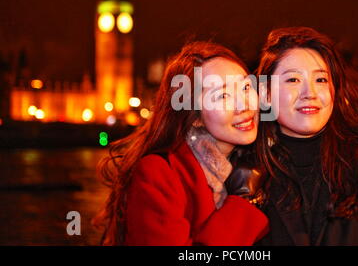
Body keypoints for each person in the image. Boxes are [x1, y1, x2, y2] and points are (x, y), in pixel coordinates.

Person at [253, 26, 358, 245]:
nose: (309, 93)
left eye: (320, 80)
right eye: (293, 80)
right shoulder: (249, 170)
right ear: (266, 94)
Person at [93, 41, 268, 245]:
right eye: (223, 95)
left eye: (246, 87)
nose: (244, 105)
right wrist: (242, 202)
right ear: (195, 117)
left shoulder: (261, 163)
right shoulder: (159, 174)